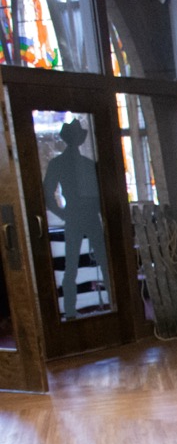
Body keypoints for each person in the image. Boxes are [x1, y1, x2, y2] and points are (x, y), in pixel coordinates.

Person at [43, 118, 110, 319]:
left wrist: (101, 215)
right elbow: (47, 194)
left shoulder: (88, 165)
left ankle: (113, 303)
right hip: (74, 217)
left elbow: (99, 194)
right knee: (71, 266)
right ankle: (70, 312)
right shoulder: (58, 164)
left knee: (104, 262)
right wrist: (63, 213)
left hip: (91, 216)